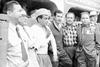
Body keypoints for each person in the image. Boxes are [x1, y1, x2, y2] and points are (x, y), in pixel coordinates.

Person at [3, 1, 29, 67]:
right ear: (9, 13)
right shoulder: (3, 31)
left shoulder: (19, 29)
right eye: (19, 11)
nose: (22, 13)